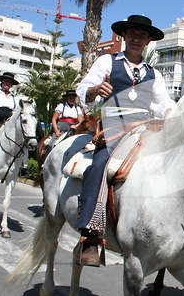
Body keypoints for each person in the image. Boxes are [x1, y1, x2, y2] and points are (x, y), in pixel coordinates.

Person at [75, 15, 176, 267]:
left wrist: (173, 116)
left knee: (175, 162)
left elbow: (163, 103)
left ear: (148, 41)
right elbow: (82, 90)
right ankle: (91, 235)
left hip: (145, 128)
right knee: (100, 165)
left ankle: (180, 226)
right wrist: (95, 90)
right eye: (132, 33)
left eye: (142, 35)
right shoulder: (107, 61)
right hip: (113, 127)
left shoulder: (154, 74)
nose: (136, 38)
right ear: (124, 36)